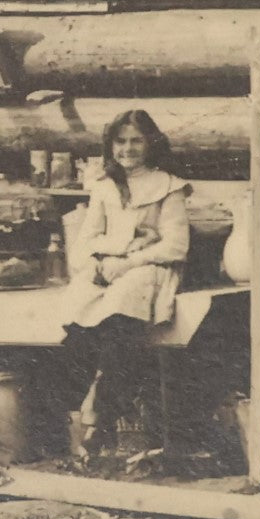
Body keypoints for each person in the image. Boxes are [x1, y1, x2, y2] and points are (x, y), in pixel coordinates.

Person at [59, 110, 192, 455]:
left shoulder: (169, 186)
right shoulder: (104, 188)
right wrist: (117, 251)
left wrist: (132, 260)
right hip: (111, 268)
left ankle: (100, 420)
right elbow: (83, 246)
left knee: (122, 310)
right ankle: (87, 413)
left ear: (150, 143)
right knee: (78, 310)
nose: (128, 149)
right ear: (111, 145)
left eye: (136, 140)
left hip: (151, 269)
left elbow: (175, 245)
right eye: (121, 141)